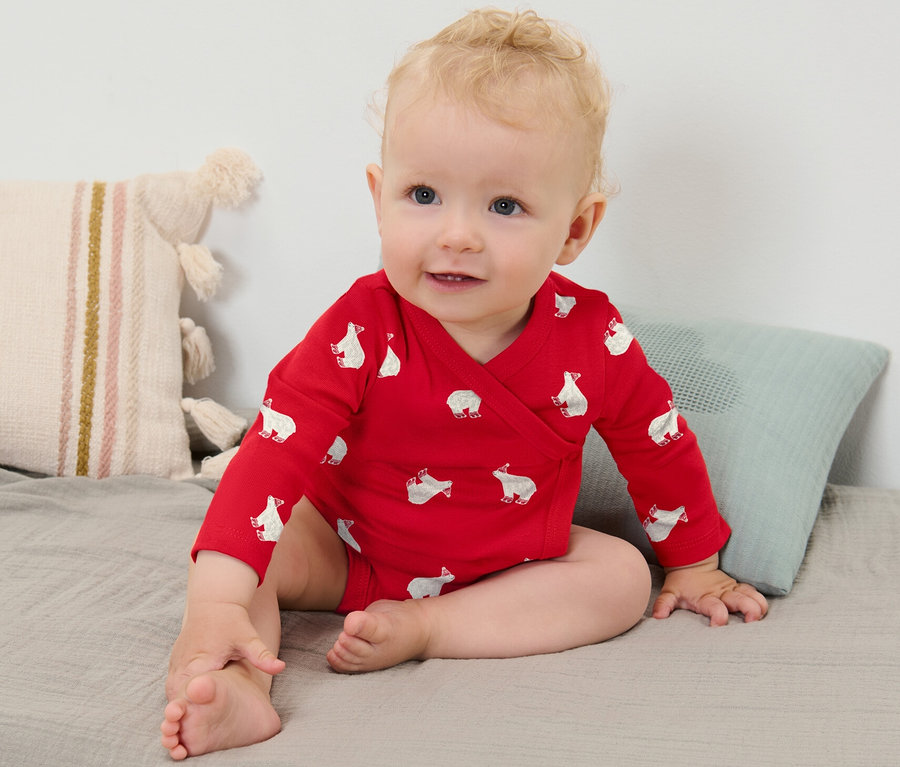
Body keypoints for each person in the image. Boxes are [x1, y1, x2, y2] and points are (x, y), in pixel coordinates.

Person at [160, 8, 768, 760]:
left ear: (575, 230)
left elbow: (657, 442)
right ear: (379, 195)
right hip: (343, 547)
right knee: (237, 546)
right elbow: (275, 452)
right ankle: (233, 684)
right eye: (423, 195)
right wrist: (222, 596)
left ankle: (433, 630)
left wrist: (695, 563)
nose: (456, 234)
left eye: (504, 206)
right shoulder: (361, 326)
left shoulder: (593, 338)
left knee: (619, 576)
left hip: (512, 570)